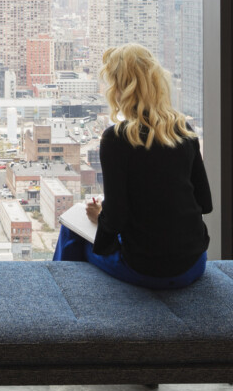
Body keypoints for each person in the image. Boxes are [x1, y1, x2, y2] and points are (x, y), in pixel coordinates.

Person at [52, 43, 212, 290]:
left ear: (120, 89)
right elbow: (205, 203)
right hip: (193, 264)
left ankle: (64, 296)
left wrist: (100, 216)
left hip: (145, 268)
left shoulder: (116, 138)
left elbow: (115, 219)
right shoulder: (183, 129)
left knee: (71, 230)